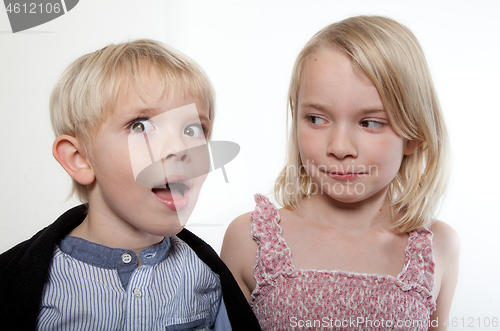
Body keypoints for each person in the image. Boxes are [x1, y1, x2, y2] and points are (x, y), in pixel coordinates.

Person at [0, 39, 260, 331]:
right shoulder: (25, 284)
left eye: (193, 129)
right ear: (80, 158)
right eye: (141, 125)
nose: (180, 147)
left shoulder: (206, 278)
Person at [221, 16, 459, 331]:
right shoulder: (248, 240)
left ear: (414, 135)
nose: (340, 146)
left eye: (370, 122)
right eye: (317, 119)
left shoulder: (438, 246)